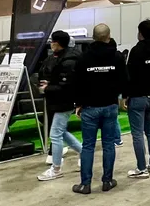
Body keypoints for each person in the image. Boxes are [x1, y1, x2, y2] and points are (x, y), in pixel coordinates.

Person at [71, 23, 128, 195]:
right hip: (110, 106)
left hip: (89, 107)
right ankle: (107, 180)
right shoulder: (117, 57)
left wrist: (78, 104)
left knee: (88, 146)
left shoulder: (84, 58)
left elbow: (77, 83)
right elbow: (125, 80)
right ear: (108, 36)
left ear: (94, 38)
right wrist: (123, 98)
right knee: (108, 144)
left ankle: (85, 184)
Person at [37, 30, 82, 181]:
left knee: (55, 134)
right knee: (60, 132)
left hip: (64, 102)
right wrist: (49, 84)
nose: (51, 43)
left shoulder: (69, 60)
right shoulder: (58, 58)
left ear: (58, 43)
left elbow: (66, 85)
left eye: (53, 41)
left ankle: (56, 168)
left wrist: (47, 88)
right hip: (57, 101)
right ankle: (84, 152)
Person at [126, 19, 150, 179]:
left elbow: (130, 75)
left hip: (138, 96)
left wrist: (126, 95)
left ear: (140, 33)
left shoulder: (136, 51)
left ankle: (141, 168)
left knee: (137, 134)